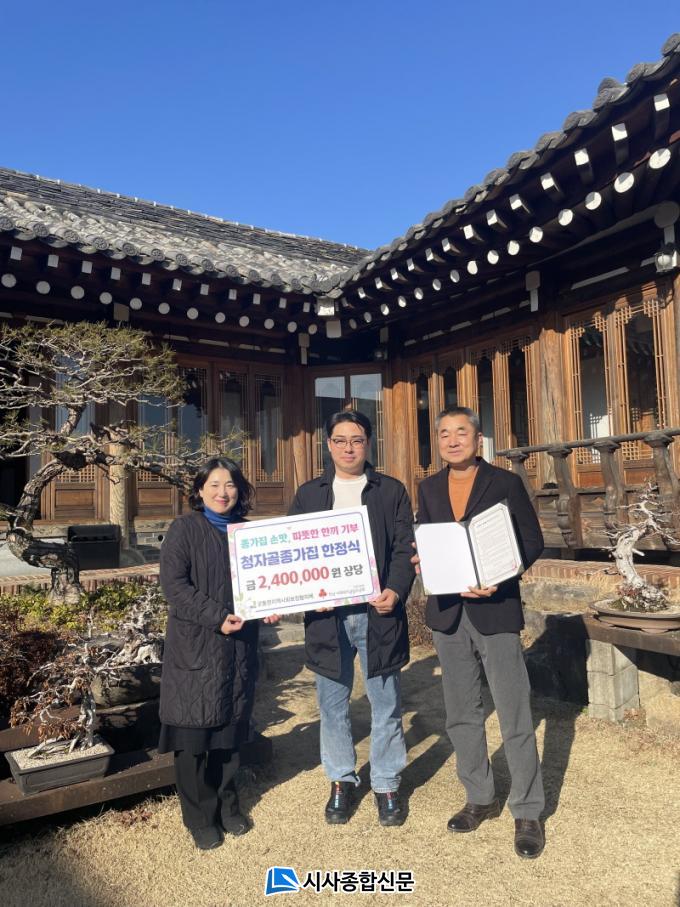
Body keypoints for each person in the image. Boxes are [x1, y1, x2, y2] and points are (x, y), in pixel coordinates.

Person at [416, 406, 546, 859]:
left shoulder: (505, 483)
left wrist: (502, 574)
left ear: (478, 439)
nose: (452, 440)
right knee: (460, 713)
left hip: (496, 609)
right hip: (448, 613)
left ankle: (527, 810)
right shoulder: (429, 487)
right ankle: (480, 796)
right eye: (444, 433)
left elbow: (531, 541)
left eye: (461, 432)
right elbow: (429, 539)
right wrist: (423, 558)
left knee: (514, 712)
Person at [289, 410, 415, 827]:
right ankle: (341, 779)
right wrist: (311, 593)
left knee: (386, 703)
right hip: (327, 618)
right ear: (328, 445)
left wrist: (396, 590)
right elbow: (293, 551)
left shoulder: (390, 491)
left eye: (357, 440)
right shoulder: (309, 495)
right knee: (332, 704)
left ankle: (386, 782)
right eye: (340, 440)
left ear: (368, 444)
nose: (348, 448)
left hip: (377, 613)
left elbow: (404, 548)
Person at [158, 456, 277, 851]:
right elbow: (174, 586)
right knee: (193, 738)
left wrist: (271, 604)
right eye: (214, 485)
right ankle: (199, 817)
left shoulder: (249, 533)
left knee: (229, 734)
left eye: (230, 485)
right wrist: (216, 617)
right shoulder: (184, 529)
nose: (222, 493)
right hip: (196, 648)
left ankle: (228, 806)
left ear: (240, 491)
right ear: (199, 490)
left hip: (237, 649)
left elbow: (265, 582)